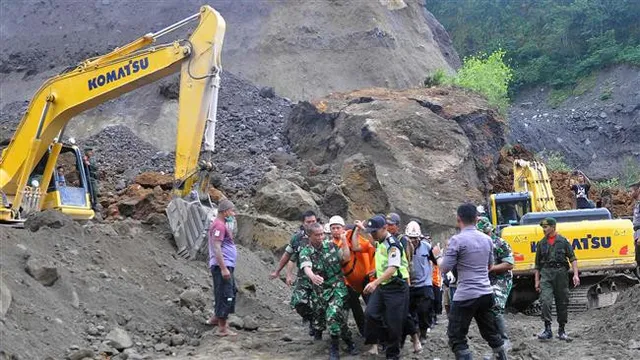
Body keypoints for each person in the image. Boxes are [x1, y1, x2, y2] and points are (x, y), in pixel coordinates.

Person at [432, 203, 507, 360]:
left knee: (456, 336)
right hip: (486, 293)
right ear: (476, 219)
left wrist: (438, 256)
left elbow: (445, 268)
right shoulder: (487, 239)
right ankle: (502, 356)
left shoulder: (457, 241)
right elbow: (490, 266)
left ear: (458, 219)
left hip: (466, 295)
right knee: (490, 332)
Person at [300, 222, 357, 359]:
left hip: (337, 287)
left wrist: (344, 242)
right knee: (338, 320)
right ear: (310, 236)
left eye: (322, 234)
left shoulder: (331, 246)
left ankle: (334, 348)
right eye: (317, 235)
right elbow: (306, 266)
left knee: (332, 315)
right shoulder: (306, 251)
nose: (321, 237)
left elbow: (345, 258)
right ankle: (349, 341)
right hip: (321, 290)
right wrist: (312, 276)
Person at [362, 214, 411, 360]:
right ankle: (380, 341)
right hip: (383, 286)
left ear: (384, 228)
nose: (372, 234)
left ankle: (392, 354)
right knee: (371, 313)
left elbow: (393, 267)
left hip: (396, 288)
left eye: (374, 232)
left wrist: (374, 282)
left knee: (394, 323)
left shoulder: (392, 244)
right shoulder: (380, 241)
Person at [270, 210, 318, 336]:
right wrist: (277, 271)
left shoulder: (322, 235)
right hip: (304, 277)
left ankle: (319, 327)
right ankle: (311, 319)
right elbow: (288, 255)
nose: (312, 224)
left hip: (320, 277)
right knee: (298, 303)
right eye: (309, 222)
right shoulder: (297, 239)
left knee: (320, 304)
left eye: (314, 221)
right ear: (303, 223)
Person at [534, 217, 580, 341]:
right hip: (546, 274)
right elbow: (537, 265)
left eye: (546, 227)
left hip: (561, 274)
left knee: (562, 302)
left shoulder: (563, 241)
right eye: (542, 227)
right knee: (545, 301)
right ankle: (547, 329)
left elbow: (573, 258)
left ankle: (561, 330)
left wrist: (575, 275)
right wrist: (537, 281)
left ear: (553, 227)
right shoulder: (541, 243)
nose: (543, 230)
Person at [327, 216, 368, 336]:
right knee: (356, 308)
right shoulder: (330, 245)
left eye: (337, 228)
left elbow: (365, 246)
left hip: (363, 277)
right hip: (348, 282)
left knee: (371, 306)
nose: (335, 230)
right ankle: (363, 331)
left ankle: (377, 332)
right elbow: (345, 258)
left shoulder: (351, 237)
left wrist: (358, 229)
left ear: (343, 228)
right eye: (333, 228)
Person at [477, 217, 514, 349]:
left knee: (496, 305)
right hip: (485, 279)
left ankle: (504, 340)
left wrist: (492, 268)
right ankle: (495, 341)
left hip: (501, 278)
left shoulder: (500, 243)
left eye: (487, 232)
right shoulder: (477, 244)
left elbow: (509, 264)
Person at [207, 199, 238, 336]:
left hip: (225, 264)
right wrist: (224, 268)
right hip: (222, 266)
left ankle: (217, 318)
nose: (234, 214)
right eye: (232, 211)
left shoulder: (221, 224)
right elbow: (217, 248)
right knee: (225, 294)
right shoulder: (219, 226)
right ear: (225, 212)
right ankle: (222, 328)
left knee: (229, 291)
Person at [406, 220, 436, 344]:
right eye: (411, 238)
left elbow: (435, 260)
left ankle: (423, 332)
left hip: (425, 284)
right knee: (410, 313)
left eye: (415, 238)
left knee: (424, 310)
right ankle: (415, 334)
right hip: (410, 284)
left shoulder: (426, 247)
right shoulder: (403, 247)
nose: (413, 240)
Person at [630, 181, 640, 267]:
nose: (630, 193)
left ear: (638, 191)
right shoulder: (637, 204)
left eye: (632, 191)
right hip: (636, 231)